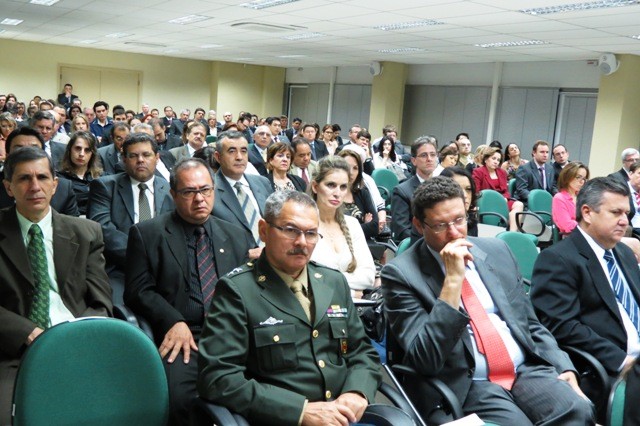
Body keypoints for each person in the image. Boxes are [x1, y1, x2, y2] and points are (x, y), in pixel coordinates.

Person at [382, 176, 593, 425]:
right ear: (419, 225)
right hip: (467, 381)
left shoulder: (497, 250)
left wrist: (562, 365)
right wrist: (452, 281)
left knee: (578, 409)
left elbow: (529, 323)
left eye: (459, 220)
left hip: (524, 370)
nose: (454, 233)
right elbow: (425, 358)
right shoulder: (401, 274)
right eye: (440, 225)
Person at [197, 190, 382, 425]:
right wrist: (299, 411)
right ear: (264, 230)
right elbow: (217, 378)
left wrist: (357, 391)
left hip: (342, 416)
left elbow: (362, 352)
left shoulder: (333, 281)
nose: (302, 242)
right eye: (291, 230)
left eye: (311, 233)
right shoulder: (237, 290)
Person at [124, 158, 252, 426]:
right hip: (185, 335)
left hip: (233, 333)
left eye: (205, 190)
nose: (199, 199)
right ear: (173, 195)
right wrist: (173, 320)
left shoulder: (236, 235)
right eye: (189, 192)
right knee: (180, 401)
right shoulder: (147, 233)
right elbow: (138, 291)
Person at [0, 147, 112, 425]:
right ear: (8, 187)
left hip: (76, 344)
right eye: (24, 179)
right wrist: (28, 332)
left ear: (55, 184)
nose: (35, 186)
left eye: (42, 177)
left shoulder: (85, 232)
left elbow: (101, 302)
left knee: (109, 410)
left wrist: (73, 339)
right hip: (13, 352)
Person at [530, 177, 640, 419]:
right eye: (616, 212)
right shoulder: (558, 259)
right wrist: (624, 361)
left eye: (627, 213)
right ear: (587, 213)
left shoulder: (624, 252)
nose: (625, 221)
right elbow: (562, 326)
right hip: (608, 367)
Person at [87, 133, 174, 303]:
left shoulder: (171, 189)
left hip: (164, 270)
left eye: (146, 155)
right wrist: (143, 257)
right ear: (124, 160)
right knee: (123, 314)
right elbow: (103, 229)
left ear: (157, 158)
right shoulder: (104, 186)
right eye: (133, 156)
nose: (140, 160)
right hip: (120, 269)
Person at [309, 156, 376, 296]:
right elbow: (308, 280)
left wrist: (331, 281)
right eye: (331, 185)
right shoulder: (303, 226)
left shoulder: (352, 224)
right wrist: (352, 293)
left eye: (343, 187)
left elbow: (369, 277)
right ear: (315, 187)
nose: (337, 193)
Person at [212, 130, 273, 255]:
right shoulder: (209, 190)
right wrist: (246, 254)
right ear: (218, 157)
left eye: (244, 151)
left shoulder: (263, 182)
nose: (239, 157)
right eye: (232, 151)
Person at [391, 136, 438, 244]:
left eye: (433, 154)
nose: (429, 159)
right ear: (414, 161)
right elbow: (402, 231)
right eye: (424, 155)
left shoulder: (443, 187)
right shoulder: (402, 191)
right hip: (418, 247)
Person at [473, 146, 524, 231]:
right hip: (487, 202)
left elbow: (506, 191)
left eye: (498, 160)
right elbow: (476, 192)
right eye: (493, 158)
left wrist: (505, 198)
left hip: (502, 200)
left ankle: (512, 233)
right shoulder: (478, 172)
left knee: (519, 204)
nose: (496, 162)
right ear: (486, 159)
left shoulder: (502, 172)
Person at [57, 131, 103, 216]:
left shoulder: (101, 177)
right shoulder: (60, 178)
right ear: (70, 149)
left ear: (92, 154)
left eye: (87, 150)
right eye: (78, 148)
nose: (81, 154)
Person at [339, 150, 379, 239]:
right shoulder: (331, 194)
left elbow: (375, 227)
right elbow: (334, 230)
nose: (351, 172)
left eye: (355, 168)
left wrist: (347, 230)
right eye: (347, 167)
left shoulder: (362, 193)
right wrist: (364, 225)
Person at [552, 162, 589, 236]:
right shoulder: (559, 198)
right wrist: (589, 226)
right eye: (578, 177)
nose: (582, 182)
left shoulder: (582, 197)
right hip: (570, 236)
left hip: (585, 233)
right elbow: (566, 225)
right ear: (568, 177)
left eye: (584, 179)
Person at [440, 166, 479, 237]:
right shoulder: (435, 223)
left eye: (468, 189)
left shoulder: (471, 219)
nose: (465, 195)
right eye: (457, 189)